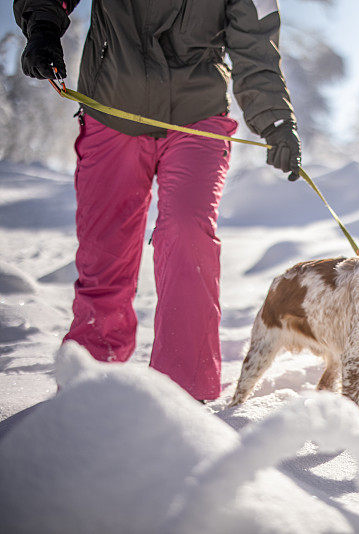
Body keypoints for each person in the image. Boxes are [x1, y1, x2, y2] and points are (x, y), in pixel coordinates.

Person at [13, 0, 301, 401]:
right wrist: (42, 23)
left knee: (187, 231)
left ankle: (182, 393)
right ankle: (89, 388)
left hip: (198, 115)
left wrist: (275, 118)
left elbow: (256, 44)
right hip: (112, 107)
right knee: (105, 251)